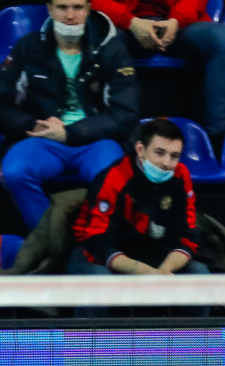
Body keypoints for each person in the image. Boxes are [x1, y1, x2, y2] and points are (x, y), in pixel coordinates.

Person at [0, 0, 140, 231]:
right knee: (14, 171)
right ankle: (49, 239)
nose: (70, 15)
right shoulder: (29, 47)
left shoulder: (111, 50)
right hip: (44, 137)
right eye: (62, 7)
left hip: (96, 140)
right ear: (49, 9)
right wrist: (31, 124)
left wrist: (70, 133)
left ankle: (95, 241)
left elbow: (125, 113)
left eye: (77, 7)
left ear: (88, 9)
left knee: (114, 177)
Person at [68, 117, 209, 280]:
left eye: (174, 156)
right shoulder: (114, 178)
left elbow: (187, 235)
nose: (166, 162)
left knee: (199, 272)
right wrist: (143, 271)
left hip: (149, 249)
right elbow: (98, 241)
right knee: (103, 281)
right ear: (141, 150)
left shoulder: (180, 175)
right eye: (159, 153)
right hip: (96, 252)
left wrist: (164, 271)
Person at [90, 0, 225, 137]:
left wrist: (176, 21)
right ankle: (109, 132)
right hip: (122, 26)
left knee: (224, 39)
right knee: (100, 39)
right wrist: (130, 21)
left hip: (175, 25)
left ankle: (215, 137)